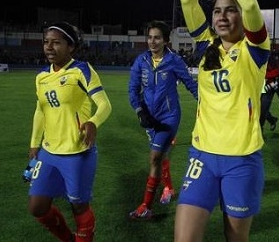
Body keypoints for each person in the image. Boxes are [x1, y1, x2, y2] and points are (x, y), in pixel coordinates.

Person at [174, 0, 271, 241]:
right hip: (202, 154)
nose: (222, 16)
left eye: (230, 10)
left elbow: (252, 5)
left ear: (241, 17)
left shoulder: (255, 50)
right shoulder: (205, 46)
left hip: (242, 160)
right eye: (217, 10)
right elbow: (188, 0)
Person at [26, 21, 112, 242]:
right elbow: (40, 110)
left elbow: (104, 104)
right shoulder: (41, 76)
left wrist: (93, 122)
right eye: (46, 42)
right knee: (37, 207)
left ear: (70, 46)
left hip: (77, 152)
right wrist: (34, 143)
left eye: (56, 43)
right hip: (48, 152)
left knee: (79, 206)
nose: (49, 47)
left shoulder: (81, 70)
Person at [128, 20, 198, 219]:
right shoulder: (141, 61)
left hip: (169, 117)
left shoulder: (174, 61)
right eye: (150, 37)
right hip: (150, 118)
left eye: (157, 37)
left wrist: (207, 103)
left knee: (155, 157)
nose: (152, 41)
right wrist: (140, 111)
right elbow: (132, 89)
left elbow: (190, 84)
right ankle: (168, 188)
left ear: (166, 40)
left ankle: (146, 207)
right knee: (161, 157)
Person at [259, 54, 279, 132]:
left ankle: (260, 128)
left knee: (263, 109)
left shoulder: (271, 61)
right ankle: (272, 120)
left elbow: (278, 81)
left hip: (268, 89)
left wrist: (269, 86)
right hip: (257, 88)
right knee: (259, 108)